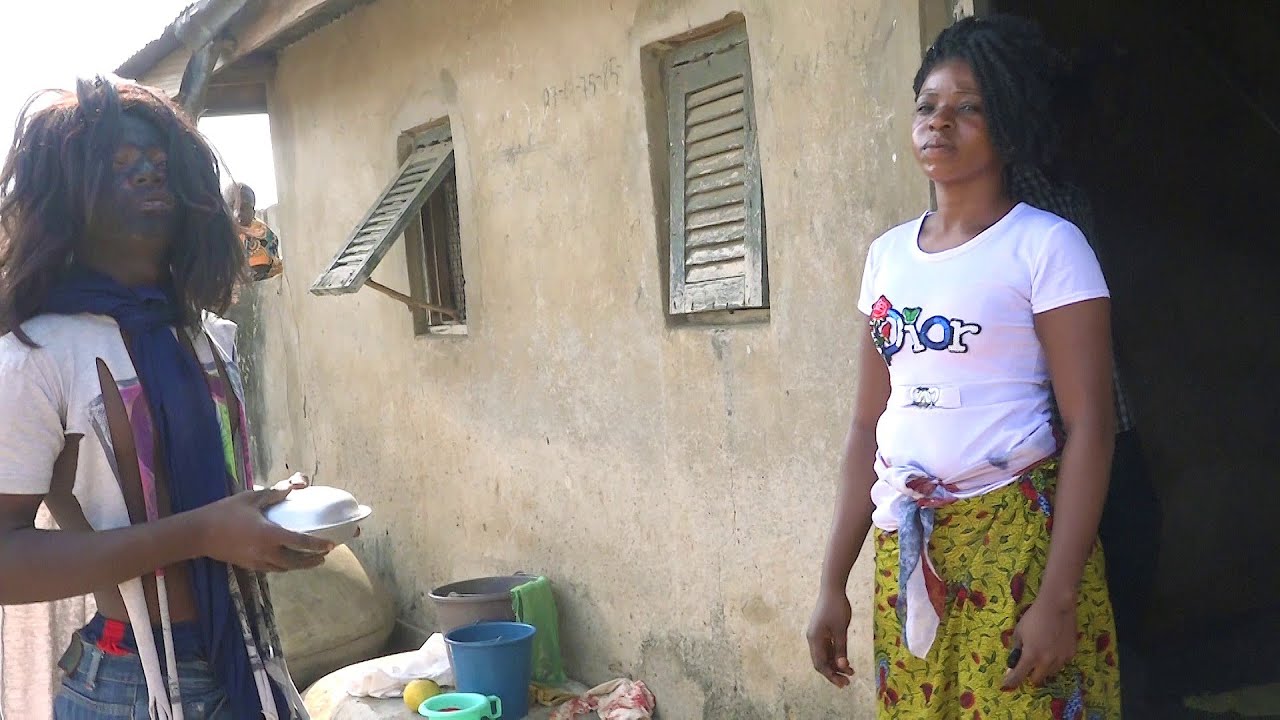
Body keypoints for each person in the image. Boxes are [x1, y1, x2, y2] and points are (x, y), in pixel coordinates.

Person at [806, 15, 1122, 718]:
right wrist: (834, 581)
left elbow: (1091, 426)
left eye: (968, 107)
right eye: (927, 105)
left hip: (1016, 547)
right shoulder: (888, 256)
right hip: (909, 550)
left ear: (1006, 125)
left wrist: (1057, 597)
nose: (939, 122)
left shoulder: (1045, 247)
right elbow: (868, 425)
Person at [0, 78, 330, 718]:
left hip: (250, 660)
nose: (150, 177)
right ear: (68, 194)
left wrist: (266, 519)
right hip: (130, 685)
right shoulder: (35, 357)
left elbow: (207, 493)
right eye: (120, 165)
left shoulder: (206, 336)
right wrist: (203, 532)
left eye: (160, 165)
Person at [225, 182, 283, 281]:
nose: (237, 213)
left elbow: (256, 272)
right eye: (231, 206)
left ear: (253, 211)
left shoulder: (259, 233)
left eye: (243, 207)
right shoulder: (226, 232)